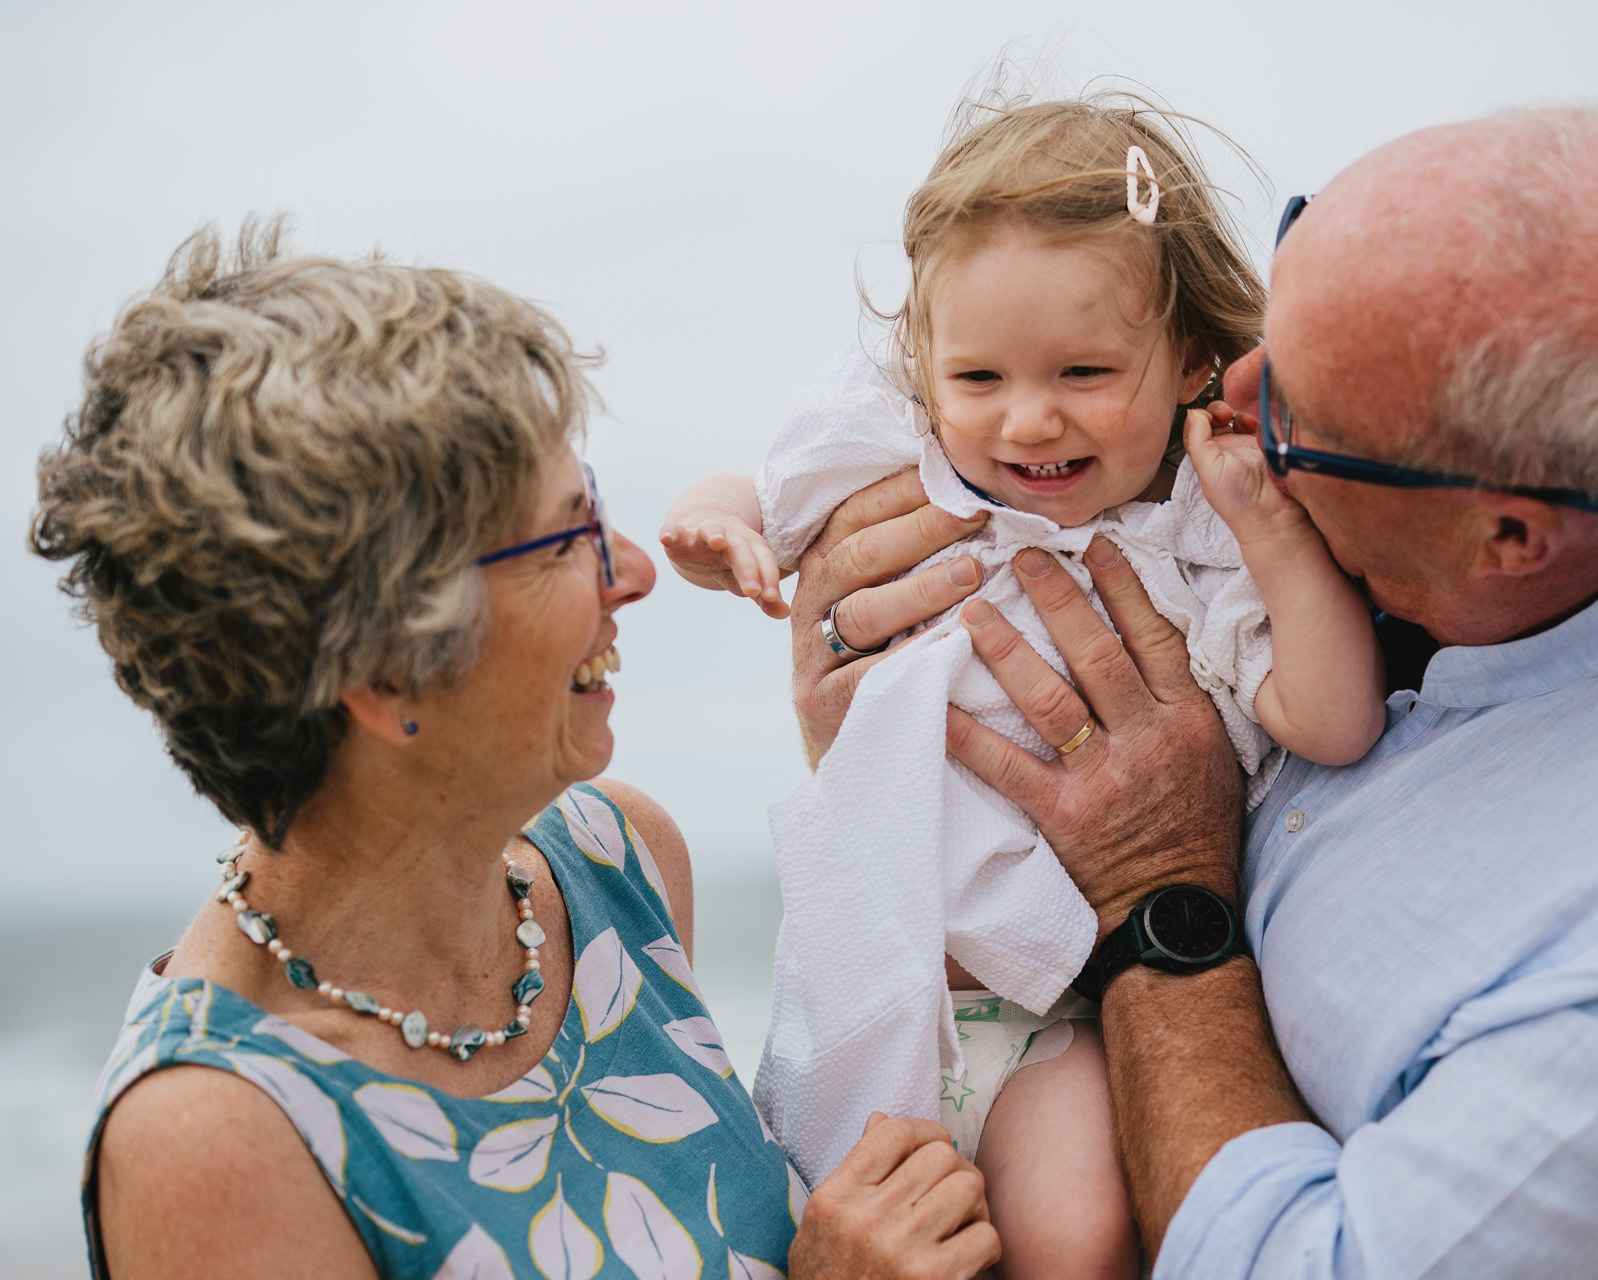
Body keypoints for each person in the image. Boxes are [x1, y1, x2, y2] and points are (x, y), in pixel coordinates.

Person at [786, 105, 1598, 1277]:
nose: (1231, 389)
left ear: (1511, 534)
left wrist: (1159, 892)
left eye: (1302, 416)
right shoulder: (1575, 456)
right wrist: (888, 706)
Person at [33, 227, 1000, 1280]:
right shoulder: (211, 1135)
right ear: (383, 670)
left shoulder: (615, 860)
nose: (631, 569)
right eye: (564, 537)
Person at [660, 93, 1383, 1278]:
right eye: (979, 374)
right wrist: (714, 524)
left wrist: (1279, 538)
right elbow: (767, 487)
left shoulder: (1203, 544)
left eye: (1085, 369)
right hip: (876, 976)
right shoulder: (897, 458)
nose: (1028, 415)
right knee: (801, 1220)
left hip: (1064, 1004)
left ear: (1195, 357)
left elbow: (1333, 713)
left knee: (1074, 1232)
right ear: (925, 366)